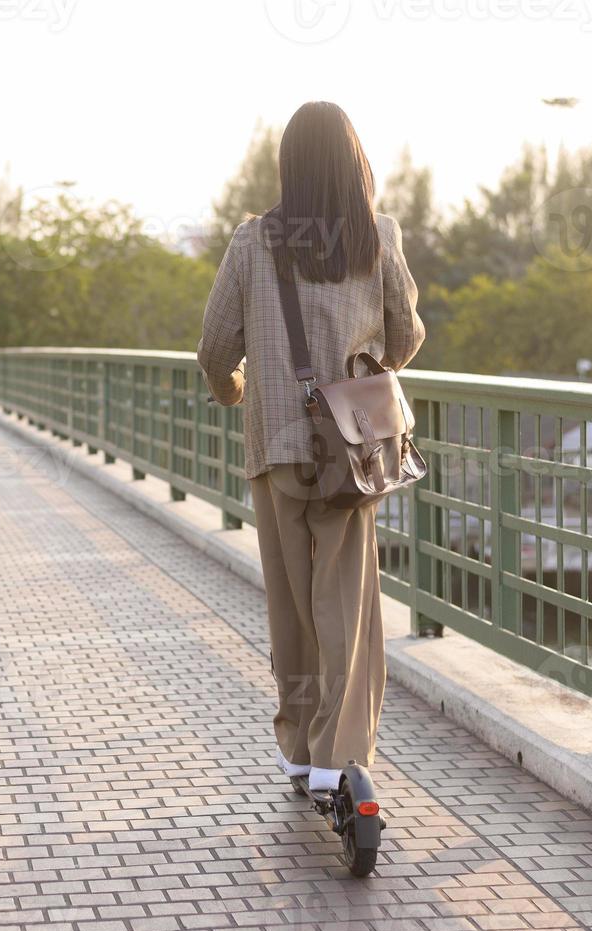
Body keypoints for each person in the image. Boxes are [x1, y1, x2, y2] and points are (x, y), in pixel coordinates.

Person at [196, 102, 424, 794]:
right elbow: (406, 335)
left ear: (286, 166)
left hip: (276, 446)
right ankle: (338, 756)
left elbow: (213, 347)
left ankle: (297, 745)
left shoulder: (250, 241)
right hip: (350, 448)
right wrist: (364, 368)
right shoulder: (376, 235)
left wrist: (234, 388)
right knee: (346, 605)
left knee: (292, 601)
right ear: (354, 162)